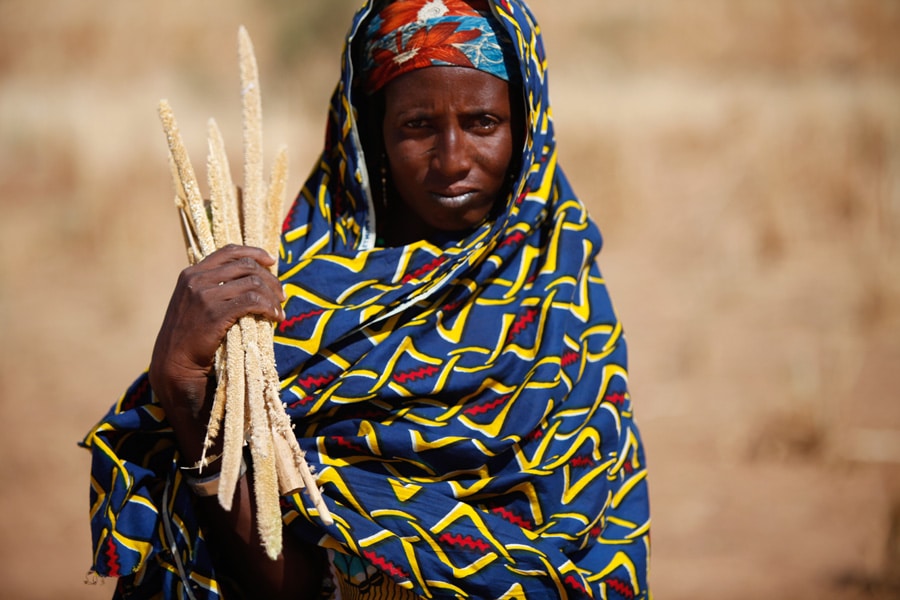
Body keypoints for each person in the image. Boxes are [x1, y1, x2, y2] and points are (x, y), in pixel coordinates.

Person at [82, 0, 651, 597]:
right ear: (372, 132)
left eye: (484, 122)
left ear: (528, 126)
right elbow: (292, 585)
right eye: (417, 127)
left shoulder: (564, 302)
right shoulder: (278, 307)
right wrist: (184, 389)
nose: (453, 161)